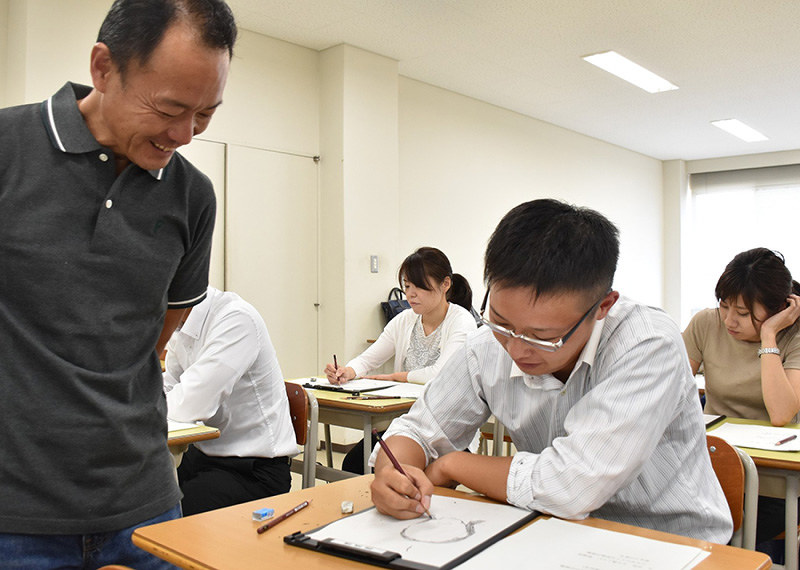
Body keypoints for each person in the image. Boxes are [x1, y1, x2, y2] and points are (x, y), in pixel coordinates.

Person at [0, 1, 236, 567]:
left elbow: (155, 338)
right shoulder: (8, 148)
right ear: (104, 68)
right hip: (16, 517)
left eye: (205, 114)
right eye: (171, 107)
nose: (184, 134)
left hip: (145, 504)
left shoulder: (192, 196)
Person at [369, 199, 732, 544]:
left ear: (603, 306)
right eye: (501, 322)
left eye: (543, 337)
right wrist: (393, 474)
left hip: (669, 541)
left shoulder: (647, 343)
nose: (516, 348)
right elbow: (417, 429)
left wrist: (452, 464)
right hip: (549, 530)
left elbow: (572, 484)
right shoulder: (487, 345)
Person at [683, 247, 800, 554]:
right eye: (724, 306)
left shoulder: (795, 336)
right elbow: (671, 389)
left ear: (777, 311)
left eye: (744, 313)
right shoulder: (705, 324)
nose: (729, 321)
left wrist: (769, 336)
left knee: (721, 539)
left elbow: (781, 414)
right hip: (710, 468)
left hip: (772, 483)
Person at [325, 247, 477, 473]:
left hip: (448, 429)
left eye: (420, 286)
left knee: (387, 469)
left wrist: (397, 377)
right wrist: (348, 371)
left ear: (445, 284)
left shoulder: (461, 321)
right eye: (407, 286)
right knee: (354, 464)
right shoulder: (405, 320)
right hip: (408, 425)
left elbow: (441, 375)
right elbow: (370, 358)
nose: (411, 294)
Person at [163, 287, 298, 515]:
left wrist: (149, 404)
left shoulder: (236, 319)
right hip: (202, 456)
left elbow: (190, 406)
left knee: (174, 513)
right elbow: (167, 387)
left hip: (253, 470)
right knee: (141, 495)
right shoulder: (181, 324)